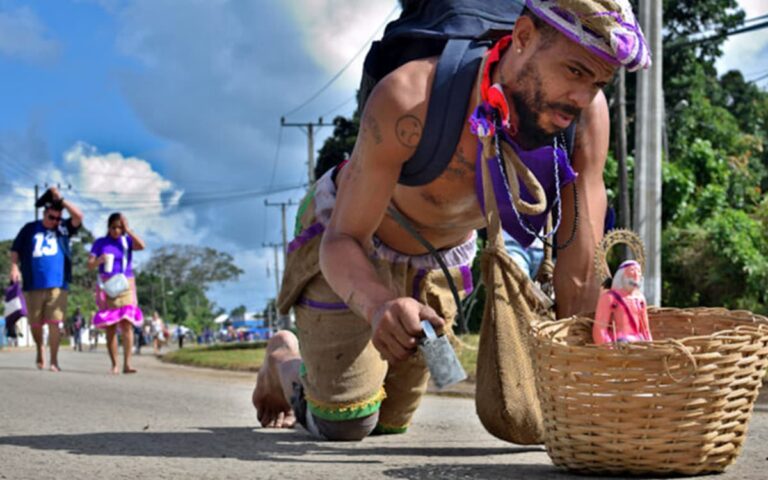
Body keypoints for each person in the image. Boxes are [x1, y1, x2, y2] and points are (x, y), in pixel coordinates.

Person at [253, 0, 650, 439]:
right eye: (575, 71)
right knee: (345, 422)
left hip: (438, 262)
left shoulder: (586, 119)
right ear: (521, 37)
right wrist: (379, 304)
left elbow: (579, 277)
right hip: (353, 246)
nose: (582, 97)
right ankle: (282, 363)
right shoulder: (410, 97)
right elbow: (343, 238)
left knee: (389, 422)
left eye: (599, 82)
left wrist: (589, 388)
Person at [9, 186, 83, 371]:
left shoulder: (64, 229)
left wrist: (61, 200)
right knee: (35, 323)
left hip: (58, 284)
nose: (55, 221)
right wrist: (14, 268)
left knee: (55, 323)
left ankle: (54, 360)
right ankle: (40, 348)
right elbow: (15, 249)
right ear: (44, 214)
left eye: (58, 218)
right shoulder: (29, 228)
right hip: (33, 283)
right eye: (51, 217)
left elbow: (78, 217)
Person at [88, 212, 146, 374]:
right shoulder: (100, 243)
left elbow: (142, 246)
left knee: (127, 324)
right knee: (111, 327)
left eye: (119, 228)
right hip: (106, 286)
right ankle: (114, 364)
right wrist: (99, 260)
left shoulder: (126, 241)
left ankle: (127, 364)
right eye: (113, 227)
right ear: (108, 227)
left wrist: (129, 230)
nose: (116, 231)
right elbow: (89, 264)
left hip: (125, 284)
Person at [592, 260, 651, 345]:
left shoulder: (640, 299)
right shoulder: (609, 298)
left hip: (639, 344)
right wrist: (609, 350)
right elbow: (599, 329)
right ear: (621, 275)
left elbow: (645, 330)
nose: (636, 275)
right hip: (620, 345)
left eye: (638, 271)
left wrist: (650, 346)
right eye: (632, 270)